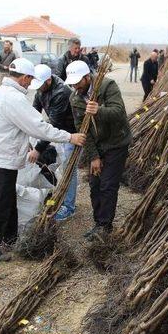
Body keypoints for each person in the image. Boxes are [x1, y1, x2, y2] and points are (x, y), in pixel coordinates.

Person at [0, 58, 86, 262]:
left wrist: (24, 142)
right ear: (24, 77)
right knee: (1, 203)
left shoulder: (2, 93)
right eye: (30, 80)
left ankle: (10, 238)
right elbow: (39, 126)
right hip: (3, 158)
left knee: (9, 199)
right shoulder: (14, 99)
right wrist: (69, 137)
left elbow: (15, 125)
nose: (30, 84)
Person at [65, 60, 131, 238]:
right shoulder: (75, 98)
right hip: (97, 144)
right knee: (95, 184)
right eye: (72, 84)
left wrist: (99, 110)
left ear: (87, 77)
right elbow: (82, 130)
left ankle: (105, 225)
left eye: (78, 83)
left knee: (108, 185)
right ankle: (98, 223)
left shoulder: (107, 85)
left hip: (116, 142)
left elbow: (119, 113)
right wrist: (94, 156)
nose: (75, 87)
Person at [29, 64, 78, 221]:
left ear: (48, 80)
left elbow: (53, 124)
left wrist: (37, 149)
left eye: (40, 86)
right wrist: (28, 132)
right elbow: (34, 113)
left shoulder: (61, 93)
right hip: (58, 133)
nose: (38, 89)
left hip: (71, 133)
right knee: (62, 167)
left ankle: (69, 207)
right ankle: (63, 197)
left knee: (68, 168)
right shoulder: (41, 88)